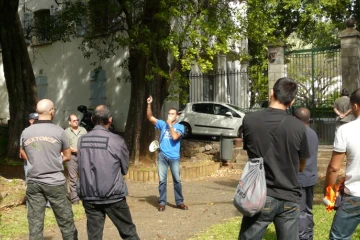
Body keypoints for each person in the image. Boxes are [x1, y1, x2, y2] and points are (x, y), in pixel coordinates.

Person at [238, 77, 310, 240]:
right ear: (292, 101)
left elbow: (250, 152)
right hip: (289, 195)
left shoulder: (249, 120)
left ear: (271, 93)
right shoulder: (299, 127)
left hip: (258, 194)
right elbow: (302, 164)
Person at [77, 105, 139, 240]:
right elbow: (124, 168)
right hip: (113, 195)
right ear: (110, 120)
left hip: (89, 195)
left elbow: (80, 166)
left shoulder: (81, 140)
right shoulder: (117, 140)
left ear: (92, 119)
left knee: (94, 236)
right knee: (129, 233)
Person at [20, 99, 78, 240]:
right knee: (66, 222)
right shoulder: (59, 131)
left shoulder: (26, 132)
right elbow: (67, 156)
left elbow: (22, 154)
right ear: (52, 111)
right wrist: (55, 160)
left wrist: (36, 160)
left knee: (35, 224)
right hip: (55, 183)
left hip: (33, 182)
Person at [324, 88, 360, 239]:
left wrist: (329, 191)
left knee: (339, 237)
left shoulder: (345, 130)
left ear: (355, 106)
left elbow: (334, 168)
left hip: (354, 194)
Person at [146, 95, 188, 212]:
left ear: (177, 116)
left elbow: (175, 137)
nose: (169, 115)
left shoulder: (180, 127)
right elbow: (149, 117)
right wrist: (149, 104)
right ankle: (162, 203)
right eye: (168, 113)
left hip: (174, 157)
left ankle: (179, 202)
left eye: (172, 114)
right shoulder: (162, 124)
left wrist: (170, 125)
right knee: (162, 180)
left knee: (177, 180)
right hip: (162, 156)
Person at [294, 107, 319, 240]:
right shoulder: (313, 133)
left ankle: (303, 237)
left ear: (294, 119)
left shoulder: (298, 133)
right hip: (312, 176)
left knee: (301, 211)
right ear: (308, 119)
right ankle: (309, 235)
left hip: (300, 177)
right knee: (308, 210)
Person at [20, 112, 51, 208]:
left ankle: (47, 203)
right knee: (30, 183)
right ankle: (30, 205)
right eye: (36, 119)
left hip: (42, 162)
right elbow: (21, 150)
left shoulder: (41, 131)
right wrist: (30, 161)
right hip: (29, 163)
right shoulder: (25, 132)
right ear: (31, 121)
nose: (39, 121)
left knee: (45, 181)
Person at [64, 114, 87, 204]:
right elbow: (65, 145)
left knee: (84, 176)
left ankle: (84, 196)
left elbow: (87, 141)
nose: (76, 121)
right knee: (73, 178)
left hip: (83, 156)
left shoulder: (83, 130)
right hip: (72, 157)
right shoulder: (66, 132)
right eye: (74, 120)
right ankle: (75, 199)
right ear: (69, 122)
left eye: (77, 120)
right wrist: (72, 149)